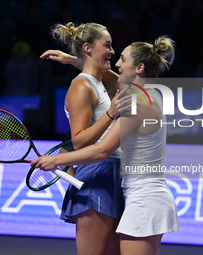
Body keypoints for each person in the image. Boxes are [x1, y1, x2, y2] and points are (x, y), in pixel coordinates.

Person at [34, 36, 180, 255]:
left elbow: (102, 150)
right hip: (145, 196)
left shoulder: (137, 102)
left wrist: (55, 159)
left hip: (144, 199)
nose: (117, 64)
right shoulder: (151, 93)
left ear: (139, 68)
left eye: (122, 59)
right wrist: (76, 61)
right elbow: (108, 77)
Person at [44, 22, 132, 255]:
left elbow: (129, 85)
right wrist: (111, 114)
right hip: (96, 175)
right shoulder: (81, 86)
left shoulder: (100, 82)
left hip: (114, 174)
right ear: (88, 48)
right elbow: (80, 141)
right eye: (108, 45)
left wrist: (75, 59)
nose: (113, 52)